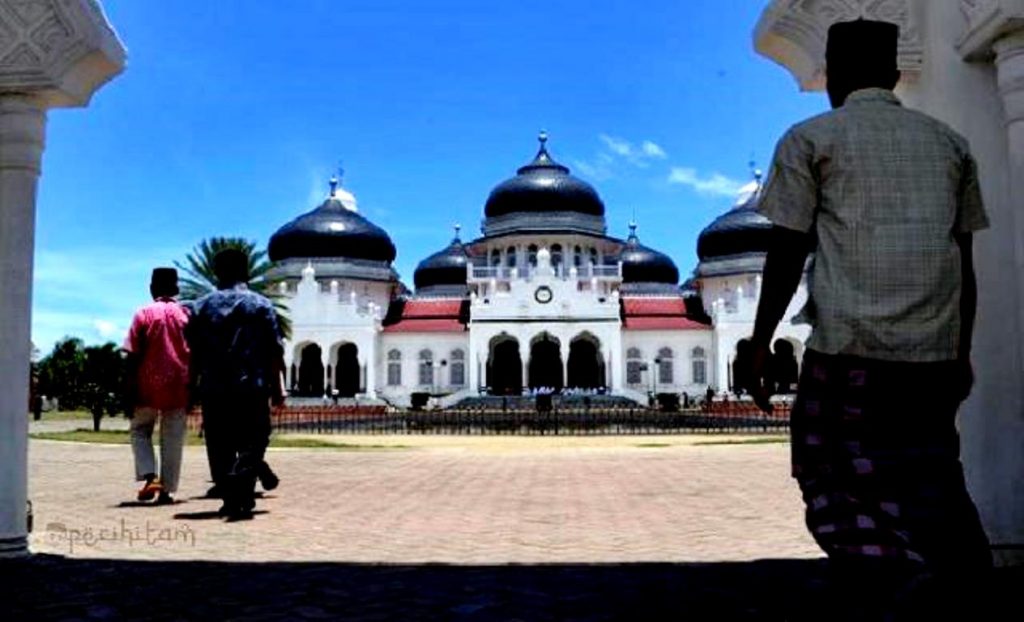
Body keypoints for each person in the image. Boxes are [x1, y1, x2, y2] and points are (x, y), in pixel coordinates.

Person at [742, 19, 992, 619]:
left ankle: (892, 570)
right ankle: (967, 581)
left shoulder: (812, 138)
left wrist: (760, 340)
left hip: (848, 349)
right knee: (934, 473)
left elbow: (787, 249)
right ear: (891, 71)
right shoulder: (948, 142)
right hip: (932, 353)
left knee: (830, 469)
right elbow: (965, 260)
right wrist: (962, 350)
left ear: (834, 73)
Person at [189, 248, 285, 519]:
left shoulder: (201, 306)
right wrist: (278, 388)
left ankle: (233, 494)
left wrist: (190, 387)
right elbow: (274, 350)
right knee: (254, 441)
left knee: (220, 444)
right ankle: (240, 488)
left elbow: (193, 353)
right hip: (252, 387)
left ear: (216, 272)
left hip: (214, 388)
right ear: (245, 272)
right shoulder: (261, 304)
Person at [123, 268, 191, 505]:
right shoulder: (186, 315)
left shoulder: (143, 314)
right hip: (180, 385)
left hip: (147, 386)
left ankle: (151, 477)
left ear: (152, 289)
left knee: (140, 430)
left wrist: (128, 389)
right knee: (173, 438)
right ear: (176, 289)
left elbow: (132, 355)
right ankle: (167, 491)